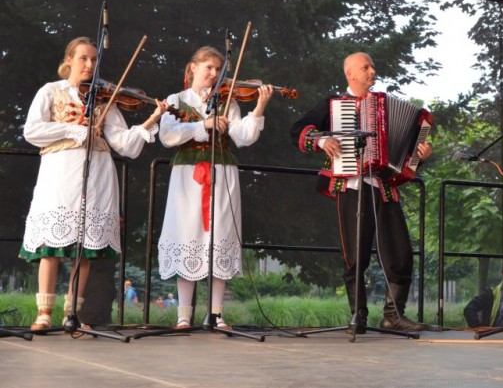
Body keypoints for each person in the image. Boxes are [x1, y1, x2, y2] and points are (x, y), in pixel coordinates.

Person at [20, 36, 167, 330]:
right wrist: (73, 130)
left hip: (98, 174)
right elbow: (32, 130)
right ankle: (43, 314)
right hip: (60, 174)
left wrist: (152, 119)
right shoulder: (51, 91)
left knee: (84, 250)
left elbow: (124, 144)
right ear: (69, 60)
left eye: (94, 59)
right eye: (83, 58)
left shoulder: (104, 98)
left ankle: (72, 314)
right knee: (50, 247)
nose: (89, 64)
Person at [290, 52, 432, 334]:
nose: (372, 71)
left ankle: (393, 315)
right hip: (352, 186)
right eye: (365, 67)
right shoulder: (333, 105)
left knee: (400, 251)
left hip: (383, 186)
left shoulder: (384, 105)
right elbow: (297, 131)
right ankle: (359, 316)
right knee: (355, 254)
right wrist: (322, 140)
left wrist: (421, 154)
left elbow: (408, 155)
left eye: (373, 66)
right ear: (350, 74)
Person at [157, 46, 273, 329]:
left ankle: (216, 313)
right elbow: (168, 135)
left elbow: (243, 137)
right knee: (186, 235)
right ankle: (183, 315)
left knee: (220, 234)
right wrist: (204, 125)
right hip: (187, 175)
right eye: (208, 67)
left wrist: (259, 106)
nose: (214, 73)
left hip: (222, 172)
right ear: (193, 67)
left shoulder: (227, 101)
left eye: (219, 69)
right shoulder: (176, 100)